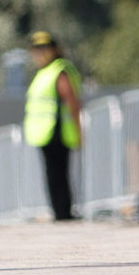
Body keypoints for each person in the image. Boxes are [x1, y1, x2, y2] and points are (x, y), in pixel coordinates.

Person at [23, 31, 84, 222]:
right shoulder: (44, 72)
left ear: (55, 49)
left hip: (56, 131)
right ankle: (60, 213)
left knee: (58, 176)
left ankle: (63, 214)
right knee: (53, 176)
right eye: (37, 49)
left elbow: (72, 102)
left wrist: (79, 130)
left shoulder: (59, 70)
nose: (40, 53)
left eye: (45, 48)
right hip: (45, 133)